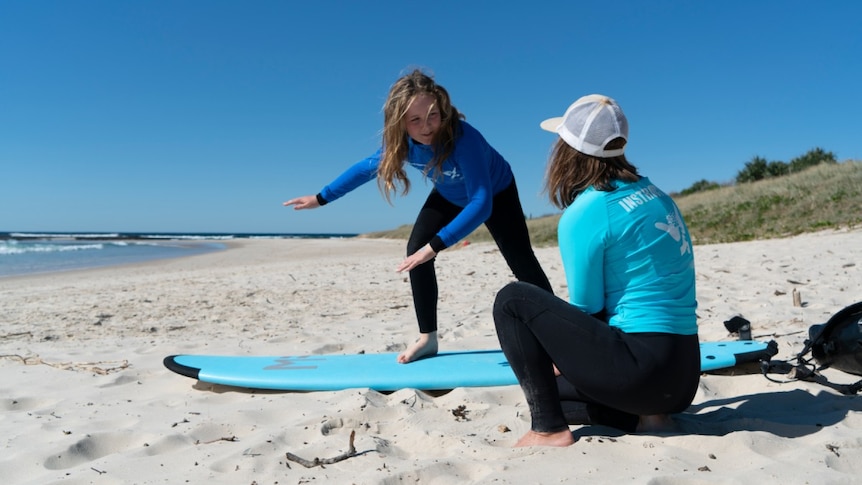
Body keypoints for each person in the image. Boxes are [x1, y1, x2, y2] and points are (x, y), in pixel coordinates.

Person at [284, 69, 553, 363]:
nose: (426, 127)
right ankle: (428, 338)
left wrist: (435, 246)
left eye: (433, 116)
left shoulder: (464, 139)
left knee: (521, 262)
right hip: (449, 193)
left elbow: (481, 202)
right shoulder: (401, 145)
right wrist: (322, 198)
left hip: (494, 193)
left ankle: (557, 337)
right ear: (399, 122)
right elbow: (364, 168)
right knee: (415, 250)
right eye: (415, 120)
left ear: (442, 110)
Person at [493, 94, 700, 447]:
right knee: (555, 387)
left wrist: (563, 357)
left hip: (644, 371)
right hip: (683, 379)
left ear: (566, 150)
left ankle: (548, 430)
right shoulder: (656, 194)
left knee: (512, 300)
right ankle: (649, 415)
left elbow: (589, 308)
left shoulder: (587, 211)